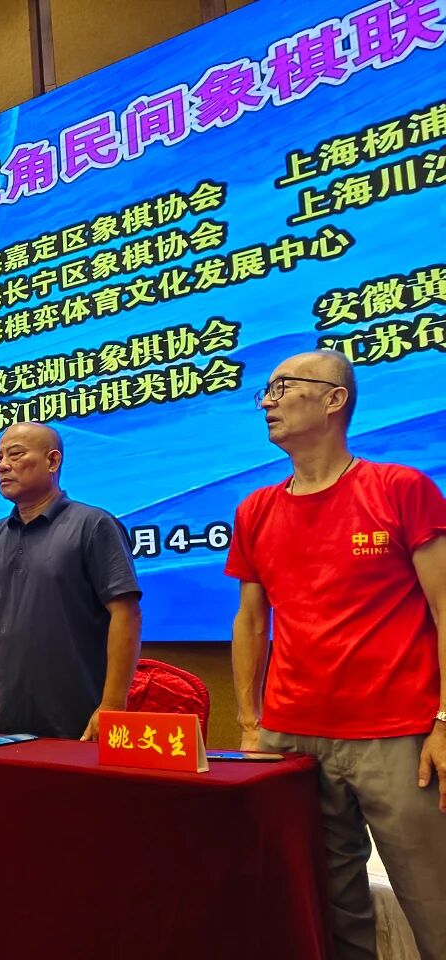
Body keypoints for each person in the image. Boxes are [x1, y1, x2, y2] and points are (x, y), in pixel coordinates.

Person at [226, 350, 446, 960]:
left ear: (333, 399)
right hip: (292, 738)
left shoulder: (400, 489)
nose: (267, 402)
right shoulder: (255, 509)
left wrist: (445, 721)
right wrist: (250, 723)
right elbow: (251, 623)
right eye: (265, 392)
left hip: (397, 737)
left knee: (435, 905)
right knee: (329, 912)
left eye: (282, 388)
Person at [0, 423, 142, 740]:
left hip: (80, 717)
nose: (3, 465)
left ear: (52, 461)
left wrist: (113, 704)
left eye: (16, 455)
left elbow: (125, 614)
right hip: (7, 719)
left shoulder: (93, 524)